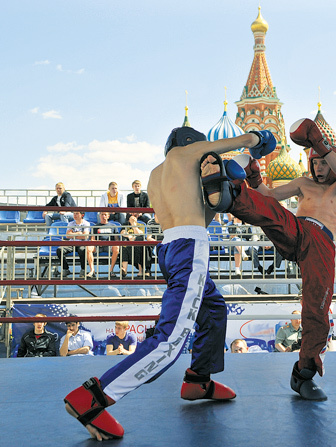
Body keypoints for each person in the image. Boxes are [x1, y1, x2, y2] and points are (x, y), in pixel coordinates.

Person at [63, 126, 272, 440]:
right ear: (193, 145)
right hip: (190, 250)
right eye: (204, 148)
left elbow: (203, 209)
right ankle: (92, 398)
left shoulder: (159, 174)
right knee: (170, 339)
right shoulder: (186, 154)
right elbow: (241, 141)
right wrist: (258, 141)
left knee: (213, 310)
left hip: (171, 248)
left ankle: (198, 380)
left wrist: (235, 169)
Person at [202, 118, 336, 400]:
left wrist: (320, 143)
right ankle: (230, 192)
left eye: (324, 163)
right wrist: (254, 179)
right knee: (272, 212)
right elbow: (269, 196)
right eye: (316, 163)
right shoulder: (303, 184)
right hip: (297, 229)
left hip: (321, 245)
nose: (320, 168)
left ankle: (304, 374)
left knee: (317, 310)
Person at [56, 210, 93, 278]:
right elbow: (67, 235)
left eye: (77, 213)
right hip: (71, 243)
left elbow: (85, 236)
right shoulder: (71, 223)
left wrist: (73, 234)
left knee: (83, 250)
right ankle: (65, 269)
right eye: (74, 213)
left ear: (82, 215)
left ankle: (83, 269)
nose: (74, 215)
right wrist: (78, 233)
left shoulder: (86, 223)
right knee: (59, 250)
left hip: (82, 243)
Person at [88, 211, 120, 278]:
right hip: (98, 246)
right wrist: (97, 242)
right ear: (99, 216)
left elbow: (117, 239)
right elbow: (92, 240)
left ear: (108, 216)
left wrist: (111, 242)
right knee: (88, 247)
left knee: (116, 247)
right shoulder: (95, 227)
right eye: (102, 214)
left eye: (105, 215)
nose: (103, 216)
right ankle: (92, 271)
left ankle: (111, 271)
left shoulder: (113, 226)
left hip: (109, 246)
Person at [120, 213, 151, 278]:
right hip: (129, 246)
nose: (133, 219)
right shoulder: (126, 225)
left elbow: (140, 234)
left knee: (139, 242)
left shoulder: (141, 225)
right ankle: (124, 269)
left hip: (138, 246)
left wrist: (134, 225)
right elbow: (122, 232)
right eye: (131, 219)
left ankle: (141, 270)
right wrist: (129, 236)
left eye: (134, 218)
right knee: (124, 244)